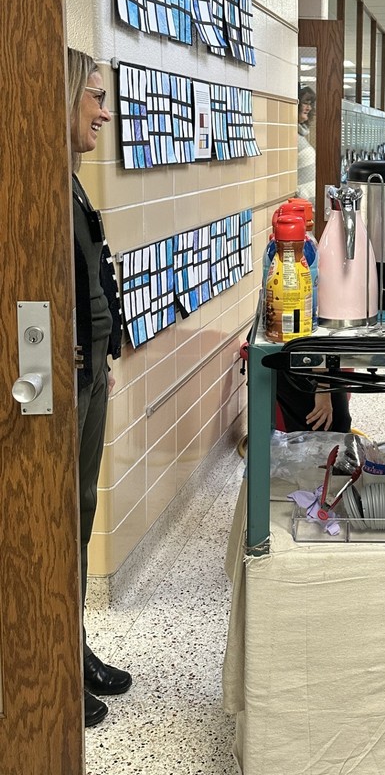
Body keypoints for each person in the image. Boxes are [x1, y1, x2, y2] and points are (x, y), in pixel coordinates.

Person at [69, 48, 132, 727]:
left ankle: (73, 643)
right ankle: (55, 659)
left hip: (89, 371)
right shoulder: (37, 182)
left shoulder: (74, 181)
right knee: (60, 520)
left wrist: (102, 350)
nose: (104, 113)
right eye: (92, 97)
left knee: (80, 512)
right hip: (65, 380)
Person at [296, 85, 316, 205]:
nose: (309, 108)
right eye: (305, 103)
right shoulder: (289, 133)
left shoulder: (301, 133)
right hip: (301, 203)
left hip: (309, 204)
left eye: (310, 104)